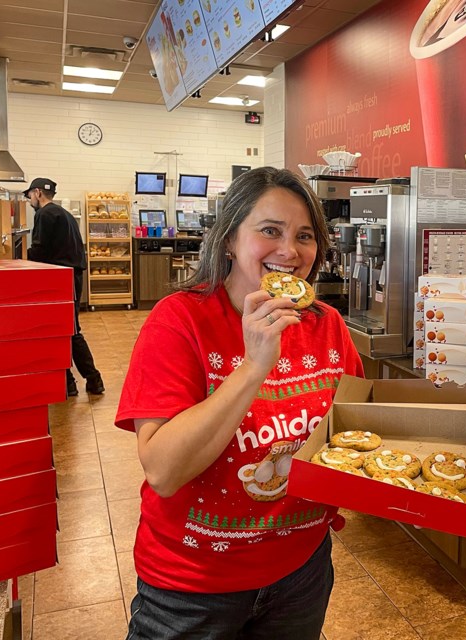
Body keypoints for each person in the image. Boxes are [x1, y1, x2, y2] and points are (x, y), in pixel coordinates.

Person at [115, 167, 363, 639]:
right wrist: (252, 367)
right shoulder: (179, 320)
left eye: (305, 236)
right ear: (229, 238)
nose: (289, 252)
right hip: (192, 587)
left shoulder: (325, 324)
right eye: (270, 231)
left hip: (301, 573)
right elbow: (163, 472)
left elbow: (345, 434)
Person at [25, 177, 104, 397]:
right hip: (71, 276)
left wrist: (20, 258)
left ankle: (93, 378)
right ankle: (69, 380)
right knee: (63, 329)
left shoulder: (44, 214)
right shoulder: (64, 214)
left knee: (70, 329)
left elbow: (39, 250)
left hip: (61, 279)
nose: (30, 199)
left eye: (30, 194)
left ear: (38, 193)